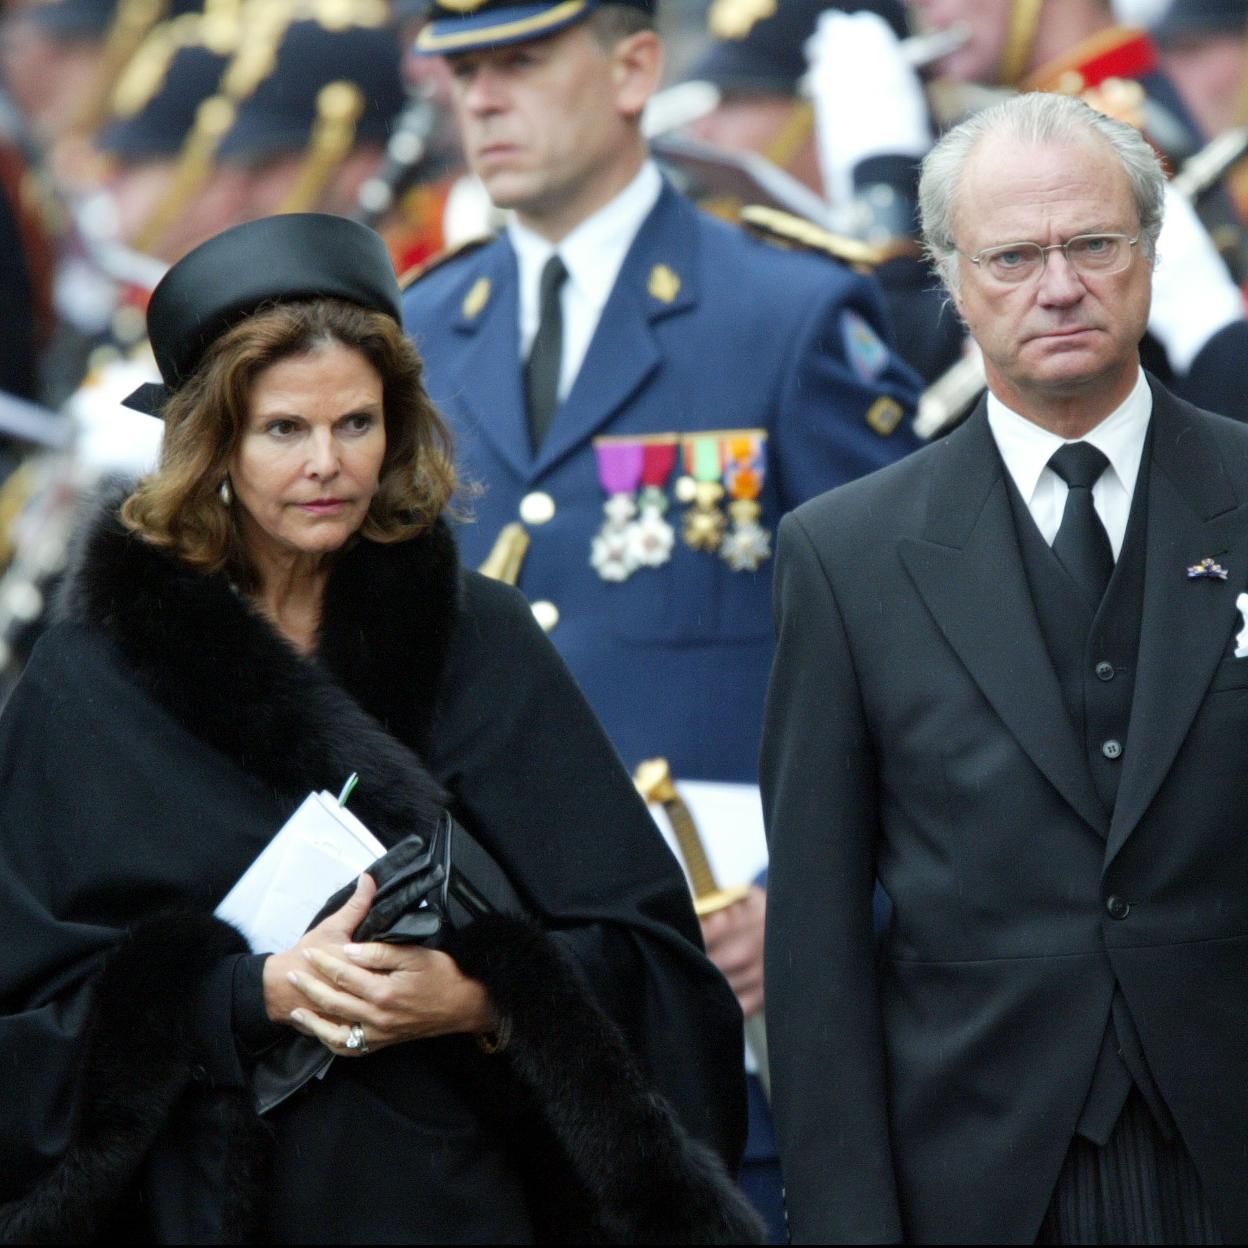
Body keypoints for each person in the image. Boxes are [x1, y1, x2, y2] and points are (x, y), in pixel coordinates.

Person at [0, 212, 759, 1243]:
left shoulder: (481, 637)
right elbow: (28, 1031)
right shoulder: (90, 677)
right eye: (284, 430)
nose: (328, 463)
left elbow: (654, 964)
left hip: (458, 1205)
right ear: (213, 443)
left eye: (355, 423)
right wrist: (250, 994)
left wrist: (476, 995)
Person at [401, 0, 924, 1237]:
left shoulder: (783, 313)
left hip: (728, 1004)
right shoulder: (419, 331)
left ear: (635, 66)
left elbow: (912, 661)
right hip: (489, 1012)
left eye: (520, 61)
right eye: (463, 73)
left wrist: (814, 905)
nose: (482, 100)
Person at [763, 91, 1248, 1244]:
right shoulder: (846, 553)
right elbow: (818, 946)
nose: (1060, 286)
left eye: (1095, 244)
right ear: (950, 275)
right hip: (978, 1171)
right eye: (1014, 256)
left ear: (1153, 249)